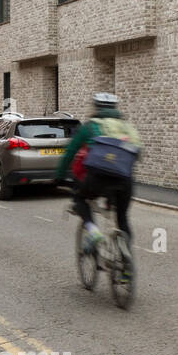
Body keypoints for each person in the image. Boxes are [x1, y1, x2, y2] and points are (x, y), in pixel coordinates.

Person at [57, 93, 142, 248]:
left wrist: (60, 175)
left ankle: (93, 230)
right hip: (124, 179)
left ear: (96, 107)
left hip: (98, 178)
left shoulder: (90, 126)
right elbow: (138, 151)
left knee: (80, 199)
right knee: (122, 219)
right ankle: (126, 265)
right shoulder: (126, 127)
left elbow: (70, 152)